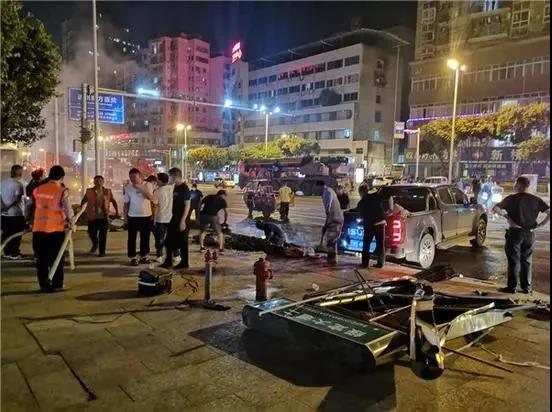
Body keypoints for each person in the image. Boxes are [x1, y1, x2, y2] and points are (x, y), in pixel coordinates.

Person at [493, 176, 550, 294]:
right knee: (527, 261)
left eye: (515, 183)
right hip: (530, 234)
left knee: (513, 261)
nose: (514, 185)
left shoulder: (511, 199)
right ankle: (526, 287)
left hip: (515, 233)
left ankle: (512, 287)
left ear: (518, 185)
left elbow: (496, 208)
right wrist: (541, 225)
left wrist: (507, 217)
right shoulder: (536, 199)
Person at [27, 166, 73, 291]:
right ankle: (57, 284)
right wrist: (71, 221)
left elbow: (28, 206)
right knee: (57, 257)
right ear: (62, 177)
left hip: (38, 229)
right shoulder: (61, 190)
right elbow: (68, 209)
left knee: (41, 259)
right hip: (56, 230)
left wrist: (27, 219)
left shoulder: (38, 189)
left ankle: (43, 285)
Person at [123, 168, 155, 266]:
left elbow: (150, 197)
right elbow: (126, 204)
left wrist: (140, 188)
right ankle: (132, 257)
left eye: (134, 177)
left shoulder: (148, 185)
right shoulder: (128, 188)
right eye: (130, 177)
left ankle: (144, 256)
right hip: (132, 216)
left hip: (146, 216)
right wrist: (125, 218)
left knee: (145, 237)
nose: (132, 179)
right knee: (131, 238)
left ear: (140, 176)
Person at [81, 176, 118, 257]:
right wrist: (81, 210)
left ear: (103, 182)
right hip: (92, 217)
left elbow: (113, 201)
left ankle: (102, 252)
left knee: (103, 235)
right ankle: (95, 244)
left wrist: (117, 212)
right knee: (91, 233)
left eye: (100, 181)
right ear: (94, 182)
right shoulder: (89, 191)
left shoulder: (107, 191)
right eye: (96, 181)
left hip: (103, 217)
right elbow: (84, 200)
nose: (98, 182)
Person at [161, 168, 191, 269]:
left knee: (183, 242)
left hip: (181, 219)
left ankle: (184, 263)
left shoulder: (184, 188)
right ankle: (168, 261)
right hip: (172, 218)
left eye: (170, 176)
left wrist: (183, 221)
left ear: (176, 176)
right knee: (168, 241)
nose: (169, 178)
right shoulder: (173, 187)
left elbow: (187, 205)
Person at [356, 182, 386, 268]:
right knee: (380, 244)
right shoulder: (376, 196)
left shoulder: (362, 201)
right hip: (381, 222)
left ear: (361, 192)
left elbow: (360, 213)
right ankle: (380, 263)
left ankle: (365, 263)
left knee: (366, 244)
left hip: (370, 224)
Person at [315, 181, 343, 265]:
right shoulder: (328, 191)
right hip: (334, 218)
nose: (316, 191)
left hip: (335, 219)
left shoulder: (327, 192)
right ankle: (332, 259)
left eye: (317, 189)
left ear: (319, 186)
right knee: (332, 240)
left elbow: (328, 208)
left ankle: (332, 260)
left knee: (331, 240)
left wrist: (326, 223)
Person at [1, 165, 26, 259]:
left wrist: (3, 207)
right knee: (16, 234)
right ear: (20, 173)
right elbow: (18, 199)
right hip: (16, 214)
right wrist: (8, 207)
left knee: (6, 233)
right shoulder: (19, 184)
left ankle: (6, 252)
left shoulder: (2, 183)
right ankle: (13, 252)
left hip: (4, 214)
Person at [152, 173, 173, 262]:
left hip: (160, 218)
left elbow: (154, 205)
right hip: (171, 217)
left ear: (160, 181)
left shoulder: (157, 191)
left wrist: (153, 217)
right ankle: (175, 255)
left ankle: (159, 256)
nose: (156, 181)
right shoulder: (172, 189)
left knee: (159, 238)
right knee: (172, 237)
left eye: (157, 180)